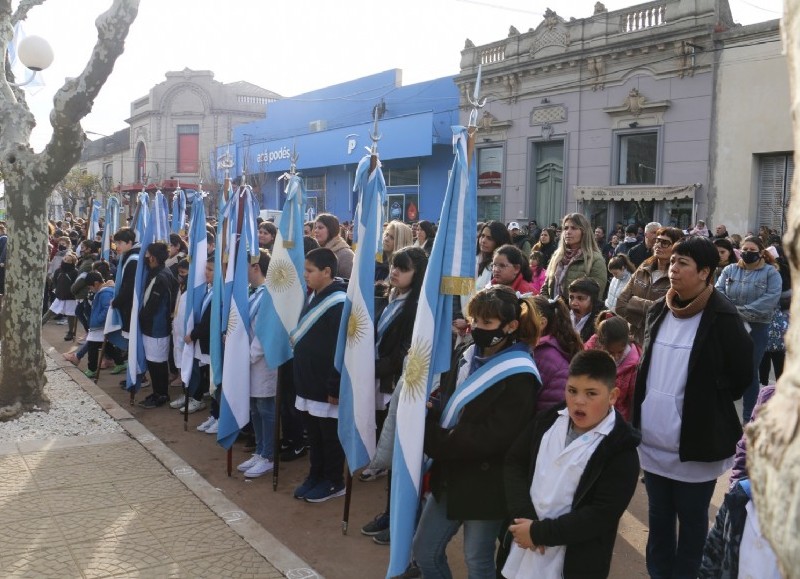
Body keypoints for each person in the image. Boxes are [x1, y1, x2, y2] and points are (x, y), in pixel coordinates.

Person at [633, 235, 753, 579]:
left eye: (682, 264)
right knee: (658, 522)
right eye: (672, 262)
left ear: (704, 272)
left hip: (695, 448)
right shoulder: (659, 309)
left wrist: (703, 402)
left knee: (692, 524)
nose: (673, 269)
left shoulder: (724, 317)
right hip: (654, 444)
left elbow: (742, 374)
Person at [412, 286, 542, 578]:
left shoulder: (521, 373)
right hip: (451, 471)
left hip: (487, 481)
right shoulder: (466, 352)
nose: (478, 329)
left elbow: (494, 436)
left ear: (510, 326)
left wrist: (434, 439)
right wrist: (429, 409)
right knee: (424, 551)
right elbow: (449, 399)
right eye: (476, 321)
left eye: (487, 323)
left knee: (477, 560)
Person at [502, 350, 640, 579]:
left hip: (574, 565)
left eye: (591, 393)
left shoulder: (621, 451)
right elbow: (514, 462)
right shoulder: (547, 420)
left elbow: (600, 515)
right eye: (572, 390)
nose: (579, 401)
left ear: (613, 395)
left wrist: (541, 533)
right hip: (523, 548)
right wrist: (524, 518)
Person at [360, 246, 428, 545]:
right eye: (393, 266)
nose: (395, 272)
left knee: (402, 457)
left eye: (403, 268)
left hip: (399, 385)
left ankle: (401, 518)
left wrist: (371, 369)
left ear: (419, 274)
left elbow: (406, 352)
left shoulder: (418, 307)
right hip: (382, 381)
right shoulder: (392, 297)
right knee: (390, 453)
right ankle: (390, 512)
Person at [292, 247, 348, 503]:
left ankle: (333, 481)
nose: (305, 275)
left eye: (310, 271)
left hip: (325, 384)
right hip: (308, 381)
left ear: (327, 272)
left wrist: (334, 386)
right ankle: (315, 475)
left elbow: (340, 349)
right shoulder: (316, 295)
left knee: (329, 436)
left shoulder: (338, 303)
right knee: (313, 434)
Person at [715, 235, 782, 423]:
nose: (747, 253)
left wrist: (740, 312)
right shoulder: (730, 270)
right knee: (726, 368)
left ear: (761, 253)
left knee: (750, 371)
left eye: (752, 250)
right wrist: (732, 313)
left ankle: (748, 418)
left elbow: (770, 299)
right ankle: (723, 415)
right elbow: (718, 292)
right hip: (730, 326)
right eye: (745, 249)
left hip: (757, 327)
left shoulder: (771, 273)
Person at [236, 249, 277, 478]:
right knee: (254, 407)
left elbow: (264, 333)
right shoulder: (254, 293)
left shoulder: (268, 294)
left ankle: (269, 455)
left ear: (255, 267)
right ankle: (260, 451)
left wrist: (248, 357)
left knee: (265, 408)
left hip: (262, 362)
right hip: (249, 362)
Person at [615, 226, 683, 345]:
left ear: (676, 247)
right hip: (634, 339)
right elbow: (620, 304)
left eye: (665, 243)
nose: (658, 245)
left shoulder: (677, 276)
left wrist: (633, 302)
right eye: (657, 240)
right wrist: (642, 321)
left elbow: (667, 312)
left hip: (659, 340)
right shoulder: (643, 268)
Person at [137, 242, 179, 409]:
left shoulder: (160, 277)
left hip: (157, 328)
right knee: (155, 362)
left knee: (157, 364)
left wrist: (138, 318)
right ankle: (158, 392)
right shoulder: (162, 272)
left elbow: (152, 306)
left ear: (152, 257)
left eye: (147, 255)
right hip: (156, 327)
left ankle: (161, 394)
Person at [531, 295, 583, 413]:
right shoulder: (536, 349)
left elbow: (549, 413)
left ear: (542, 323)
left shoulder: (547, 357)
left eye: (523, 319)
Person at [584, 314, 640, 421]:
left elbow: (631, 401)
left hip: (617, 420)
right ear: (602, 345)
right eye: (611, 352)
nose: (616, 356)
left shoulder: (634, 365)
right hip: (591, 414)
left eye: (620, 352)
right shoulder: (591, 351)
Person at [542, 213, 607, 301]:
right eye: (565, 228)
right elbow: (546, 286)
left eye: (573, 228)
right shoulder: (557, 256)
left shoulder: (595, 260)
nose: (568, 231)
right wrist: (547, 306)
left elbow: (595, 296)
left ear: (584, 232)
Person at [82, 271, 126, 379]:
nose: (90, 289)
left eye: (90, 286)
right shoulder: (105, 291)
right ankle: (120, 363)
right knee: (107, 346)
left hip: (100, 325)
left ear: (96, 283)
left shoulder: (105, 293)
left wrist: (97, 320)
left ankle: (92, 369)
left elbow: (107, 309)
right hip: (101, 325)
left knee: (93, 347)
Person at [43, 252, 80, 341]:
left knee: (71, 315)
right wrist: (56, 290)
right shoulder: (58, 271)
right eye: (65, 259)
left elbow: (76, 284)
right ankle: (39, 325)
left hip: (71, 298)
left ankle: (70, 332)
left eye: (68, 260)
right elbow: (55, 281)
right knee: (50, 312)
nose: (65, 261)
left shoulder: (75, 272)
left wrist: (73, 292)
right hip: (59, 296)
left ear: (72, 262)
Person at [313, 213, 354, 279]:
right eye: (315, 227)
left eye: (320, 228)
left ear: (331, 229)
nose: (316, 231)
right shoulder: (314, 251)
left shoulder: (345, 255)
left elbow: (348, 284)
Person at [567, 277, 604, 343]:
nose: (573, 303)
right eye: (571, 297)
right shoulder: (564, 314)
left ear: (593, 301)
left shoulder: (602, 323)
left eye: (580, 298)